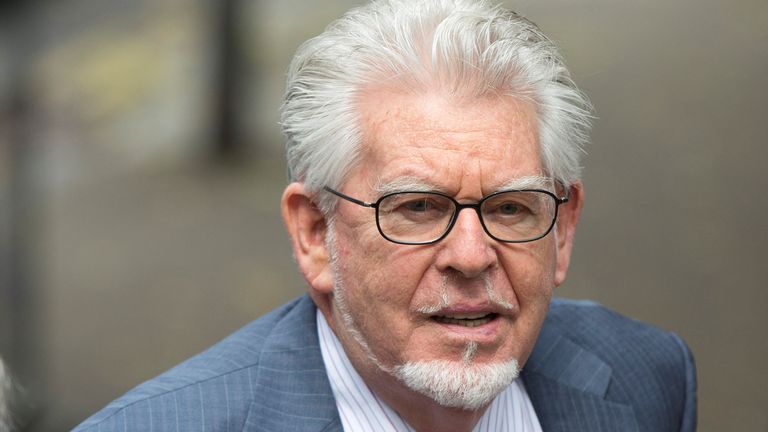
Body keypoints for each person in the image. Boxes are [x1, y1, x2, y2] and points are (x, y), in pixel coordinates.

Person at [75, 0, 696, 430]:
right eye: (419, 209)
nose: (471, 256)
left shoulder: (648, 376)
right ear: (315, 233)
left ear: (562, 230)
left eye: (510, 208)